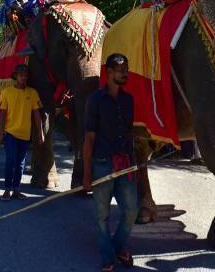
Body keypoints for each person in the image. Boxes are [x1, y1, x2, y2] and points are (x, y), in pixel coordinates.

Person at [83, 53, 138, 272]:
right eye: (121, 70)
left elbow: (129, 133)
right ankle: (108, 258)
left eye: (127, 69)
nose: (126, 73)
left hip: (124, 163)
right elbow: (89, 138)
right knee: (101, 216)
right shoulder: (95, 100)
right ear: (109, 72)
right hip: (102, 163)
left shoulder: (128, 100)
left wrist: (135, 162)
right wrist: (87, 175)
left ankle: (116, 247)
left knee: (132, 211)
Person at [0, 64, 44, 201]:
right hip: (10, 132)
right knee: (11, 161)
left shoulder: (32, 92)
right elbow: (2, 114)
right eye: (21, 75)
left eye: (25, 75)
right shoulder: (6, 92)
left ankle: (16, 190)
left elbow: (37, 114)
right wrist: (0, 133)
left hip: (25, 133)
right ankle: (7, 189)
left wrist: (40, 132)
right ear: (15, 76)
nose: (23, 77)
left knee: (20, 163)